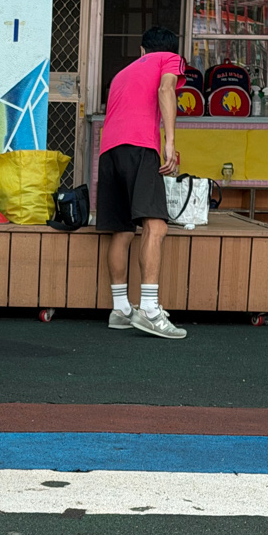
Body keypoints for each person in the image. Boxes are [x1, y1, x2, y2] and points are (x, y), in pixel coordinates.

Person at [97, 25, 187, 339]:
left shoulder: (122, 73)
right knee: (156, 226)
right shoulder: (170, 60)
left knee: (122, 231)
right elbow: (165, 90)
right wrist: (170, 143)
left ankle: (121, 310)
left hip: (109, 152)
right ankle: (149, 310)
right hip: (140, 146)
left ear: (141, 50)